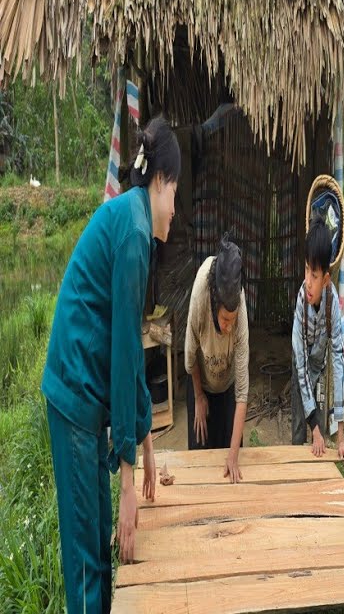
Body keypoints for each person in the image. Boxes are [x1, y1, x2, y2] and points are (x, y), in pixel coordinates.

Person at [42, 115, 179, 612]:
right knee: (85, 559)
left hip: (85, 392)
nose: (174, 212)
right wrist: (127, 484)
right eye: (174, 196)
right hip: (76, 393)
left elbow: (132, 352)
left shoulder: (132, 217)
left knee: (101, 544)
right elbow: (124, 357)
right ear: (161, 181)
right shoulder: (135, 232)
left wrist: (144, 448)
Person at [291, 178, 344, 467]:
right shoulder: (301, 302)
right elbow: (302, 365)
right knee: (298, 437)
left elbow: (339, 365)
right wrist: (312, 426)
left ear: (326, 279)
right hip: (303, 367)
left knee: (324, 447)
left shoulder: (333, 308)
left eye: (315, 275)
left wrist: (339, 437)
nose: (308, 281)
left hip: (324, 370)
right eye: (306, 270)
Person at [184, 234, 250, 482]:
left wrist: (233, 455)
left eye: (232, 321)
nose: (229, 327)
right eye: (224, 320)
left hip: (228, 383)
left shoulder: (239, 309)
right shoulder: (201, 298)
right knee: (200, 460)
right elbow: (189, 359)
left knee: (230, 460)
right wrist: (199, 396)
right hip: (201, 380)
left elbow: (242, 390)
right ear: (214, 304)